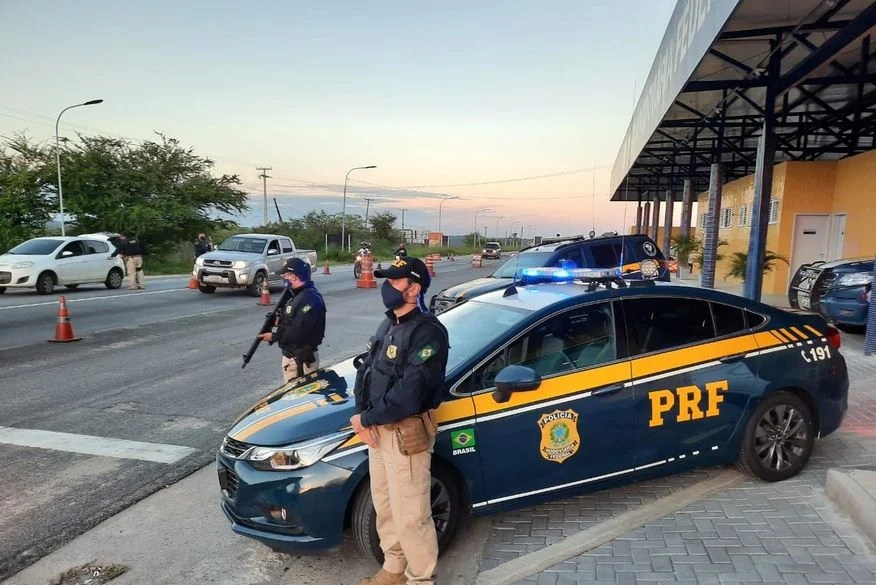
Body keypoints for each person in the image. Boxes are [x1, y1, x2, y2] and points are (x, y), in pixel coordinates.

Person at [350, 257, 449, 585]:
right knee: (386, 507)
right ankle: (393, 569)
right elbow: (366, 371)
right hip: (377, 431)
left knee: (412, 515)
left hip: (405, 434)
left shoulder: (428, 333)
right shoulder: (389, 323)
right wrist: (364, 418)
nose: (387, 287)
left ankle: (421, 579)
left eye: (395, 282)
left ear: (414, 288)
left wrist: (366, 417)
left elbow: (410, 392)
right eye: (387, 280)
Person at [257, 258, 326, 383]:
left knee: (298, 399)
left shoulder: (308, 298)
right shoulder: (297, 296)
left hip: (301, 361)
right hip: (294, 358)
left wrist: (274, 336)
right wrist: (279, 319)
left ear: (293, 276)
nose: (283, 278)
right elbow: (293, 321)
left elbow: (299, 330)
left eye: (285, 276)